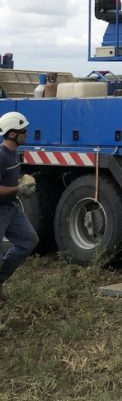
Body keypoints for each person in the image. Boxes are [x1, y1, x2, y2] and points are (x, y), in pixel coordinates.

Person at [0, 112, 38, 301]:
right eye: (24, 131)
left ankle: (1, 277)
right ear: (13, 134)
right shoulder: (1, 156)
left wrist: (22, 183)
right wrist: (18, 188)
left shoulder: (15, 155)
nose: (27, 134)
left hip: (11, 208)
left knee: (29, 240)